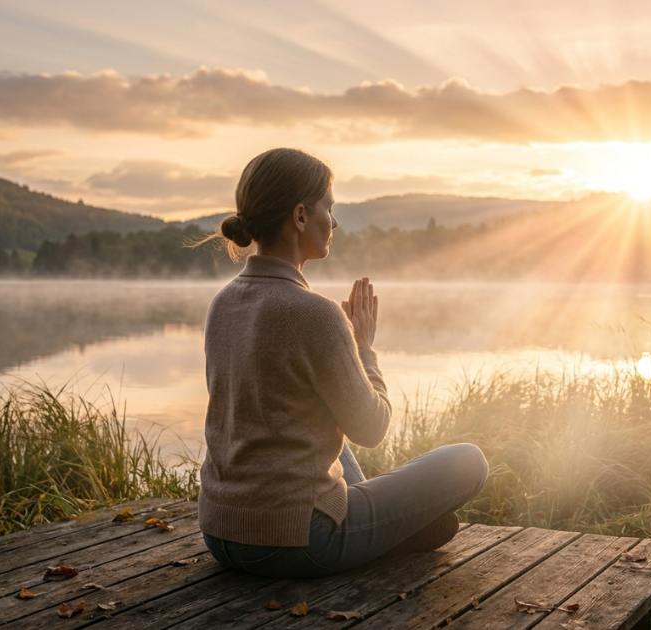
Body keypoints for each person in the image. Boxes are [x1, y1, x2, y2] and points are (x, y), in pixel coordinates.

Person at [196, 148, 488, 578]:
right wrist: (363, 348)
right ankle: (382, 535)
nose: (333, 223)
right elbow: (373, 428)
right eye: (328, 209)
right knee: (470, 461)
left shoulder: (222, 303)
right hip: (298, 541)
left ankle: (380, 530)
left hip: (220, 532)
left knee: (332, 430)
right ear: (299, 216)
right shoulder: (314, 313)